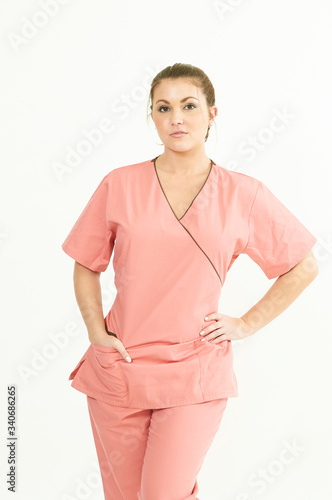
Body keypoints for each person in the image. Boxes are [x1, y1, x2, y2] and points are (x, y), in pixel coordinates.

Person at [61, 63, 319, 500]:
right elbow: (87, 262)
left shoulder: (243, 193)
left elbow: (303, 265)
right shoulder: (120, 185)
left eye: (188, 106)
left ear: (211, 115)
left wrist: (246, 323)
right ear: (152, 116)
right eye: (164, 108)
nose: (176, 118)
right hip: (120, 368)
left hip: (194, 369)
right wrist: (95, 333)